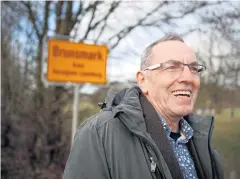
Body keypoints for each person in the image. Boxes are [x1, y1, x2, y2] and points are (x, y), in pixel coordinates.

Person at [63, 34, 224, 179]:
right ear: (142, 80)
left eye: (194, 69)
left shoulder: (202, 139)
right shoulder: (99, 133)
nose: (188, 77)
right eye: (172, 67)